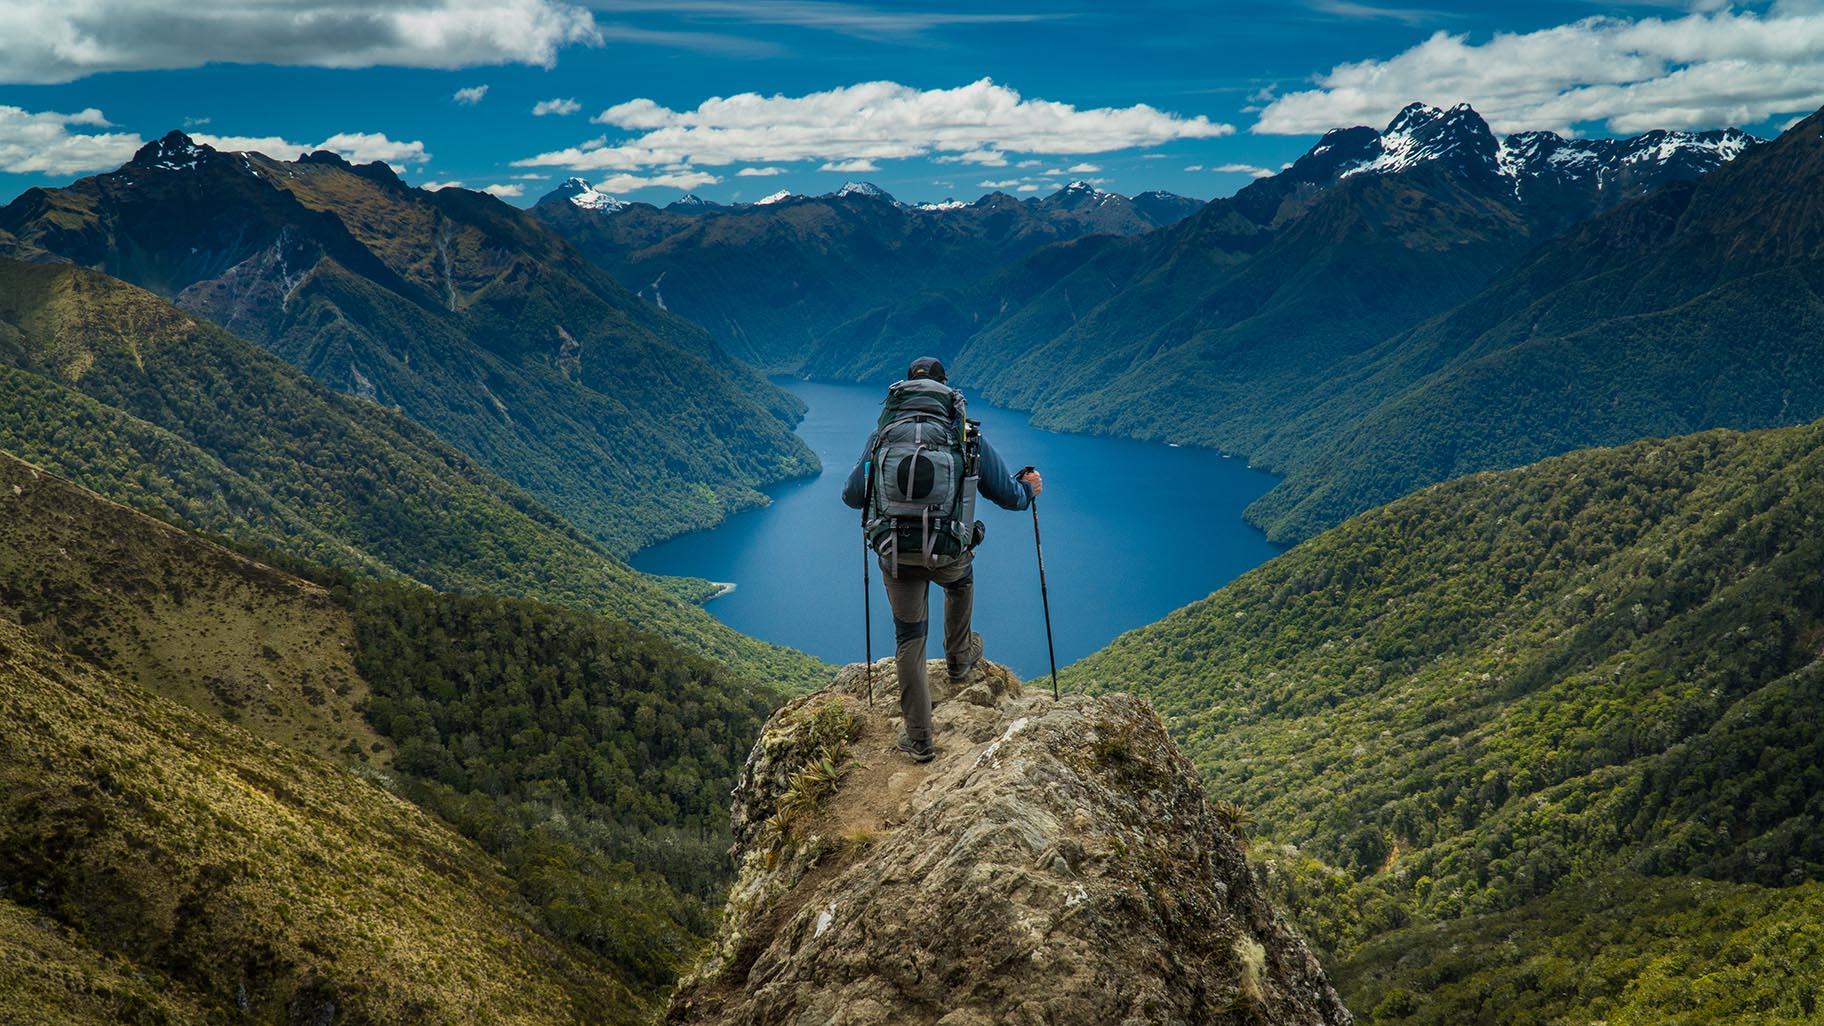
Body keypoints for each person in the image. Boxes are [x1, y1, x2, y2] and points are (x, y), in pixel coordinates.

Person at [842, 356, 1042, 763]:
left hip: (896, 555)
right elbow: (1007, 494)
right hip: (948, 552)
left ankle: (919, 740)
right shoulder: (964, 435)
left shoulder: (882, 435)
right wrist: (1029, 490)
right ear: (945, 389)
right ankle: (958, 660)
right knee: (959, 581)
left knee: (909, 637)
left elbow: (851, 495)